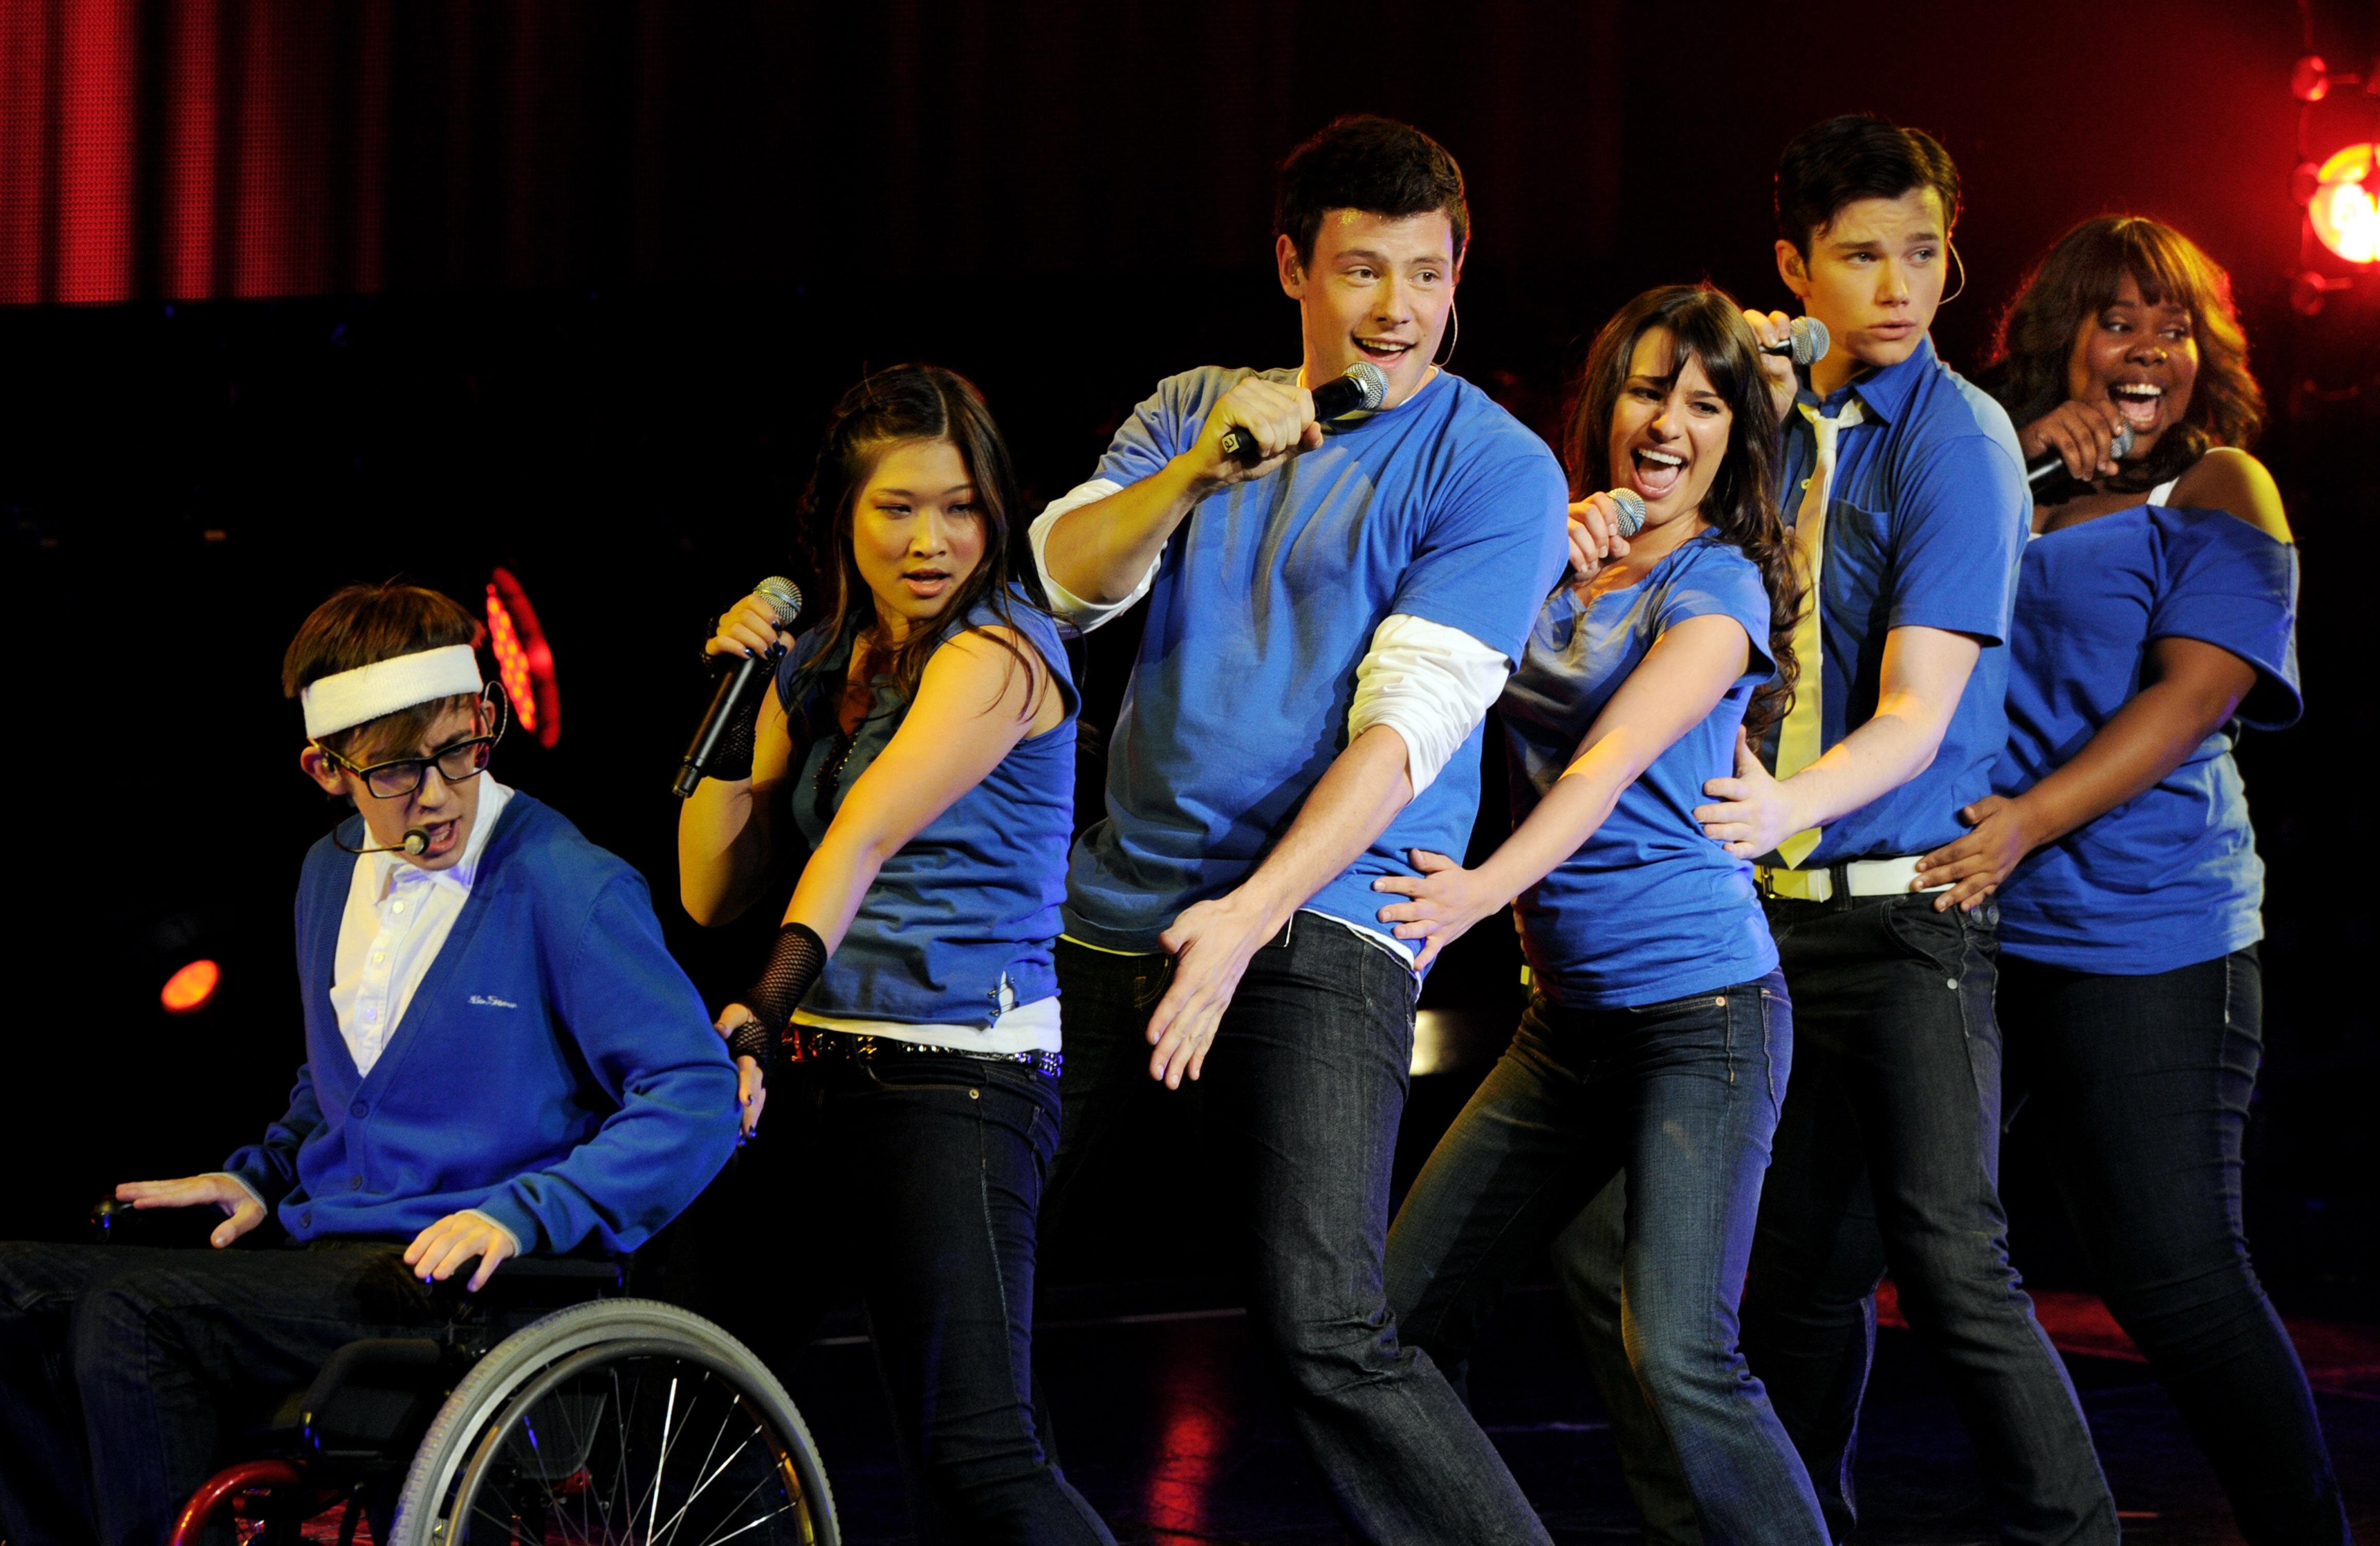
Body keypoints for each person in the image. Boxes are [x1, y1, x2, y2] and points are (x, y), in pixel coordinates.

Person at [1554, 114, 2118, 1545]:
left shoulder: (1957, 437)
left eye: (1923, 253)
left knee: (1951, 1262)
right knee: (1761, 1275)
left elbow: (1920, 711)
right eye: (1860, 256)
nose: (1898, 286)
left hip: (1902, 917)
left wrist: (1776, 809)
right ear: (1793, 267)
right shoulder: (1759, 415)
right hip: (1765, 928)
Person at [1028, 115, 1569, 1543]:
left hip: (1325, 911)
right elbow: (1066, 583)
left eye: (1426, 274)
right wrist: (1195, 474)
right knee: (970, 1265)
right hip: (1123, 901)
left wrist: (1246, 921)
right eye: (1361, 271)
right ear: (1292, 269)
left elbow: (1407, 730)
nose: (1397, 309)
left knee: (1323, 1320)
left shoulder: (1493, 466)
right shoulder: (1197, 408)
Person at [0, 582, 741, 1546]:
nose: (436, 793)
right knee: (12, 1290)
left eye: (459, 750)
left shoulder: (566, 881)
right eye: (395, 770)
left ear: (483, 715)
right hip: (331, 1270)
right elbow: (344, 1082)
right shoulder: (326, 875)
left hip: (463, 1289)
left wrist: (528, 1212)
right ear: (326, 769)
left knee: (133, 1312)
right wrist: (262, 1175)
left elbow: (696, 1094)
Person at [1914, 214, 2349, 1544]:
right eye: (2120, 321)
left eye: (2177, 326)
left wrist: (2028, 823)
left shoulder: (2223, 488)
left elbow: (2196, 695)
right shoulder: (1993, 473)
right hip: (1971, 921)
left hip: (2148, 931)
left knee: (2174, 1278)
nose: (2152, 348)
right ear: (2064, 338)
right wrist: (2019, 461)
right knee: (1898, 1251)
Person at [1379, 284, 1827, 1545]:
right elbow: (1429, 660)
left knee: (1678, 1351)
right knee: (1386, 1325)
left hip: (1702, 1016)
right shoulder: (1555, 553)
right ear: (1605, 406)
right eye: (1648, 391)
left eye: (1707, 404)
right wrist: (1537, 561)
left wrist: (1478, 891)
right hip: (1566, 1027)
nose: (1670, 424)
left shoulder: (1720, 585)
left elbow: (1607, 762)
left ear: (1737, 435)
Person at [677, 364, 1113, 1545]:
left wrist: (759, 1009)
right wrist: (742, 690)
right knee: (696, 1392)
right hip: (822, 1073)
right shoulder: (824, 656)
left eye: (961, 507)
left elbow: (860, 837)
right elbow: (712, 887)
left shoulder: (1001, 652)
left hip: (953, 1078)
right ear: (843, 515)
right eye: (899, 508)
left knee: (979, 1455)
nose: (933, 541)